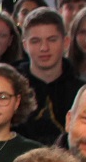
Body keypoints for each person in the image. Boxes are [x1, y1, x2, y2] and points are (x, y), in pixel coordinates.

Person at [16, 8, 82, 146]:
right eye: (35, 41)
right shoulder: (11, 88)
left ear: (66, 42)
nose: (44, 48)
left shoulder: (82, 93)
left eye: (52, 40)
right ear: (25, 45)